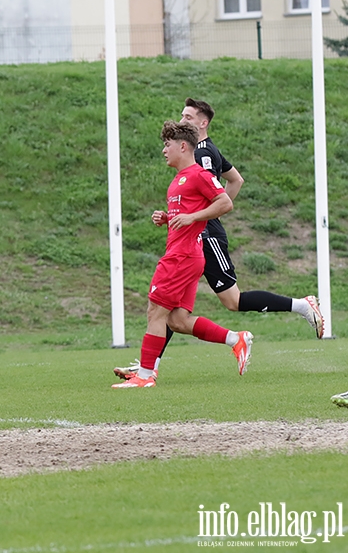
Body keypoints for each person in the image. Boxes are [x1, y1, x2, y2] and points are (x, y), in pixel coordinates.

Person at [114, 98, 323, 381]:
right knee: (174, 313)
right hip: (198, 233)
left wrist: (203, 218)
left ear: (203, 123)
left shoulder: (201, 154)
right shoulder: (203, 152)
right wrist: (184, 216)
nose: (183, 120)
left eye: (189, 117)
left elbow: (219, 195)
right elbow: (236, 180)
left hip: (203, 237)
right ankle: (149, 365)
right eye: (182, 115)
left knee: (227, 301)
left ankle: (301, 305)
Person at [114, 121, 253, 389]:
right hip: (186, 254)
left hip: (182, 256)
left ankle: (144, 376)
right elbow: (187, 215)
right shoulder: (178, 180)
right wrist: (167, 218)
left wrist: (192, 217)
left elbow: (225, 202)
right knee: (176, 321)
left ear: (182, 146)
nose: (164, 150)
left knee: (155, 312)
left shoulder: (199, 174)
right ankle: (236, 340)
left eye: (167, 145)